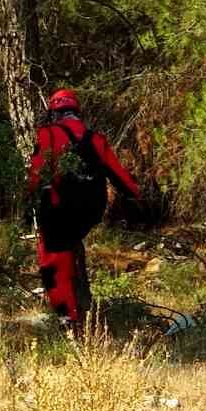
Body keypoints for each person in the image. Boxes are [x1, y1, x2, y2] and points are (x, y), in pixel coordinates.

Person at [28, 88, 141, 338]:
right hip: (90, 211)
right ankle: (79, 307)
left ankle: (69, 320)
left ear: (53, 113)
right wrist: (138, 196)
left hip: (59, 209)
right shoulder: (96, 139)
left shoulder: (47, 134)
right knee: (69, 247)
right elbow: (123, 180)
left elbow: (35, 173)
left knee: (51, 260)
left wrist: (25, 199)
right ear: (77, 111)